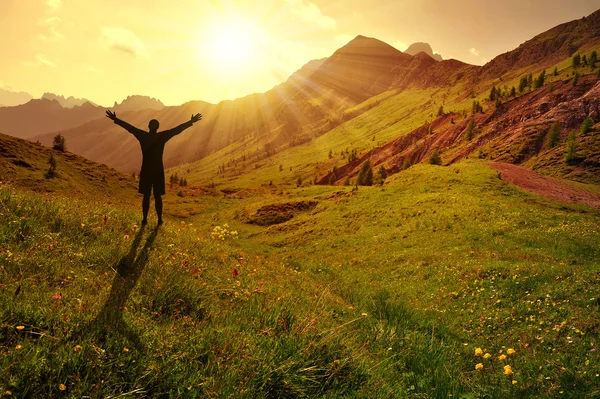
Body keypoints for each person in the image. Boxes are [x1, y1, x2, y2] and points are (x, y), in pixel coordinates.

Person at [106, 110, 202, 225]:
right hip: (158, 171)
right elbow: (176, 130)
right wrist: (191, 122)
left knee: (146, 196)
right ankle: (159, 219)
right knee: (158, 196)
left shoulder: (142, 136)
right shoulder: (162, 137)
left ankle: (145, 219)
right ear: (158, 127)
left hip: (146, 170)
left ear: (148, 127)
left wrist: (116, 119)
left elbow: (130, 128)